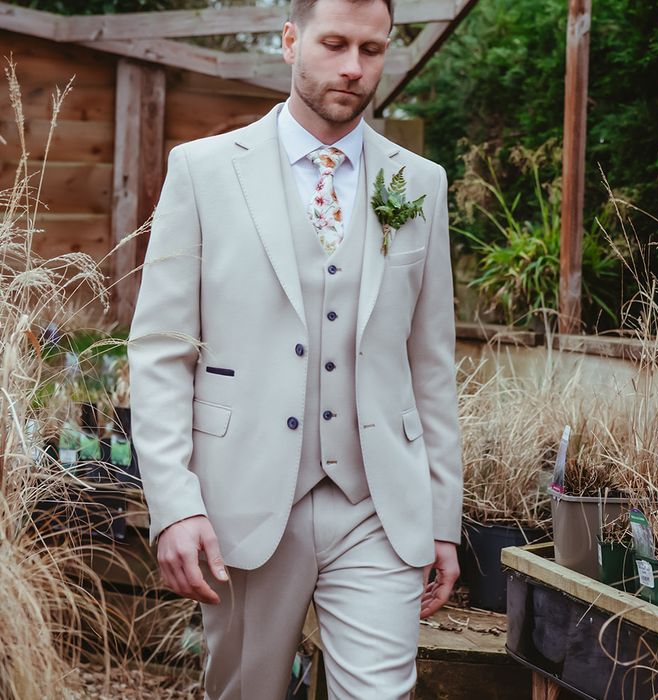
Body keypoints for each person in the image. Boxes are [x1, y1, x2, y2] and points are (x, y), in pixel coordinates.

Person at [127, 0, 463, 697]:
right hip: (244, 496)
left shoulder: (420, 184)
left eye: (372, 50)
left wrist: (441, 517)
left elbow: (429, 364)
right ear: (289, 40)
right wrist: (174, 503)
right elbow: (160, 350)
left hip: (378, 503)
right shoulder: (202, 171)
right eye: (334, 43)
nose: (352, 67)